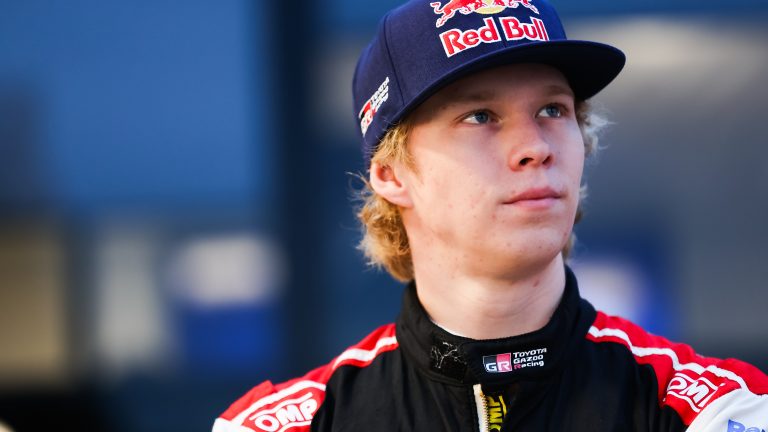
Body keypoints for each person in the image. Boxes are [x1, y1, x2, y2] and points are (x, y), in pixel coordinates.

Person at [213, 0, 768, 430]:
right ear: (391, 174)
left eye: (553, 109)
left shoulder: (716, 411)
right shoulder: (287, 424)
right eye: (481, 116)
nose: (535, 147)